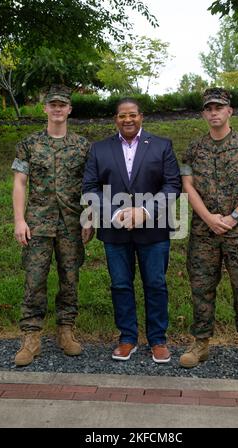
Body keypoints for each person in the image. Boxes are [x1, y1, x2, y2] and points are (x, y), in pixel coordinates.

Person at [82, 98, 181, 363]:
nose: (128, 120)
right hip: (114, 231)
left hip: (154, 229)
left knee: (156, 284)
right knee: (121, 285)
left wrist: (145, 211)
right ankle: (127, 338)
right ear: (115, 118)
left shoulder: (162, 146)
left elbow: (172, 186)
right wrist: (114, 214)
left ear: (141, 116)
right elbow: (90, 188)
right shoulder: (99, 149)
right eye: (122, 116)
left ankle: (158, 340)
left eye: (133, 115)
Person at [180, 87, 238, 376]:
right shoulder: (194, 148)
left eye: (219, 107)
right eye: (209, 108)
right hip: (205, 233)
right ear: (204, 113)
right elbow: (188, 186)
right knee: (201, 288)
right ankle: (200, 342)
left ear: (230, 111)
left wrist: (233, 216)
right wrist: (208, 218)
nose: (214, 112)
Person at [12, 85, 90, 366]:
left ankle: (66, 331)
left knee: (70, 280)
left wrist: (88, 217)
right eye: (52, 104)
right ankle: (31, 336)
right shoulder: (29, 144)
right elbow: (20, 183)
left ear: (70, 109)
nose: (57, 109)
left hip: (71, 222)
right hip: (38, 224)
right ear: (44, 108)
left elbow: (89, 185)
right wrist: (19, 220)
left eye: (62, 105)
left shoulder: (83, 146)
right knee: (34, 281)